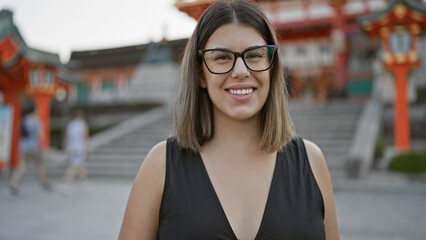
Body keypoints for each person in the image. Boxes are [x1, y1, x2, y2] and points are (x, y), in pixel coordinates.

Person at [119, 1, 340, 239]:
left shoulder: (311, 162)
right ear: (199, 74)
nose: (240, 70)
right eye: (222, 57)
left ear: (272, 67)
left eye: (254, 55)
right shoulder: (160, 166)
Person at [4, 103, 51, 199]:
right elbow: (40, 135)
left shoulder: (24, 120)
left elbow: (20, 132)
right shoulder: (37, 121)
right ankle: (43, 184)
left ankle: (13, 186)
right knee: (40, 165)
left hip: (23, 146)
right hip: (34, 146)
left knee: (22, 166)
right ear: (34, 111)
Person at [60, 110, 89, 194]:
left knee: (80, 165)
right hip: (80, 148)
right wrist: (87, 148)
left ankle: (85, 181)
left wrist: (66, 147)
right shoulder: (82, 124)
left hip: (72, 147)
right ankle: (65, 182)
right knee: (74, 166)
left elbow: (67, 137)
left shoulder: (70, 125)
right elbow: (85, 137)